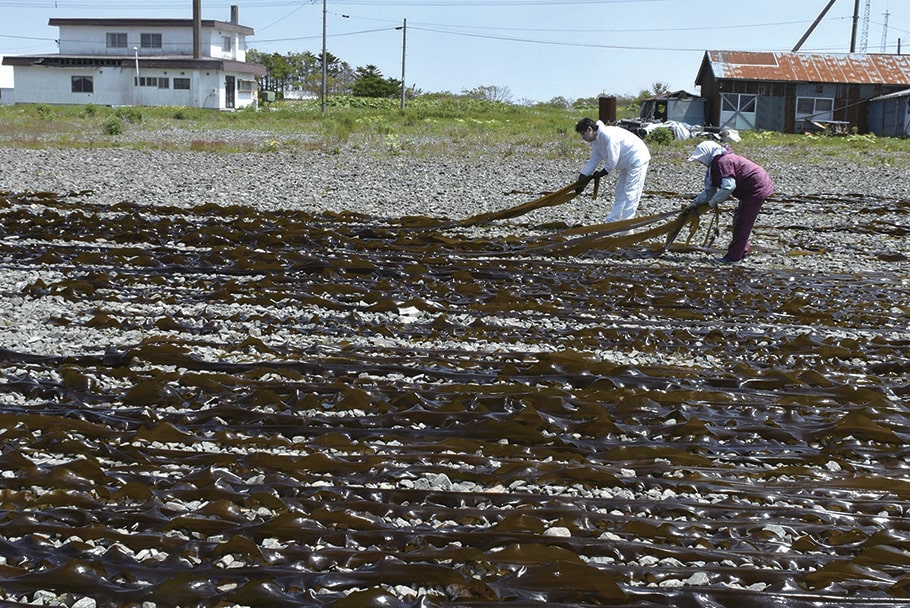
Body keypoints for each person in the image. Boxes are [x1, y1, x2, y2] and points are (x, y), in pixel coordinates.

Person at [687, 140, 774, 263]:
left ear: (707, 155)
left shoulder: (722, 162)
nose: (701, 162)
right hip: (749, 190)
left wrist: (714, 202)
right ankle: (742, 252)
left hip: (756, 188)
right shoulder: (716, 164)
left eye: (701, 159)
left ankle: (734, 257)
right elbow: (709, 191)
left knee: (743, 222)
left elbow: (729, 187)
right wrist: (695, 203)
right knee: (739, 219)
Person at [574, 117, 651, 224]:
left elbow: (613, 159)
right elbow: (593, 160)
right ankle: (612, 222)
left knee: (631, 192)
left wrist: (602, 173)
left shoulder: (607, 135)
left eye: (583, 134)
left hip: (637, 159)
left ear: (589, 129)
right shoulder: (597, 141)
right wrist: (581, 180)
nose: (583, 138)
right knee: (620, 193)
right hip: (625, 164)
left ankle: (626, 225)